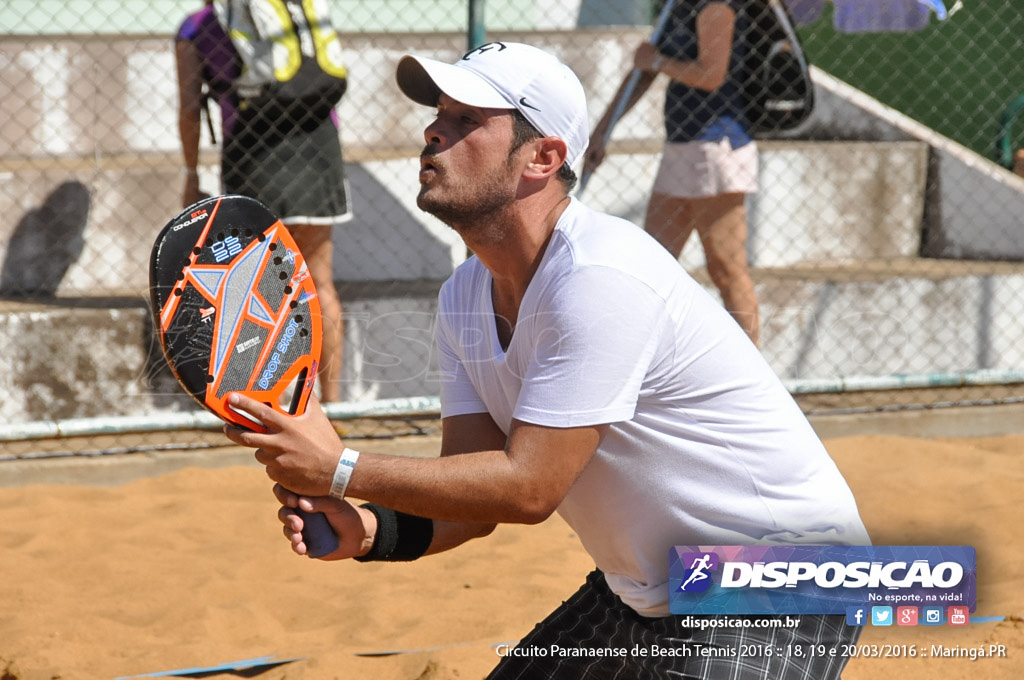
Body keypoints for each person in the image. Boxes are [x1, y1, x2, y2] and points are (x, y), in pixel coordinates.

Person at [224, 42, 870, 678]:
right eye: (439, 115)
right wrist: (369, 529)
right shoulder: (466, 293)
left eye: (465, 121)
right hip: (647, 591)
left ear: (544, 157)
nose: (432, 131)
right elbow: (473, 496)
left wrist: (339, 468)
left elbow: (528, 488)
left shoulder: (601, 273)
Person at [174, 0, 348, 402]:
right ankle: (335, 404)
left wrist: (190, 174)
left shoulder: (196, 27)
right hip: (318, 147)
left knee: (256, 286)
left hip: (252, 151)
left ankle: (260, 402)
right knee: (320, 281)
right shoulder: (298, 9)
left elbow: (188, 107)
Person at [583, 0, 762, 345]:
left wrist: (658, 61)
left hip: (716, 148)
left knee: (726, 269)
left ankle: (756, 379)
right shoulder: (673, 8)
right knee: (652, 266)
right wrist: (602, 130)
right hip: (681, 147)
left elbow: (711, 76)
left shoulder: (715, 7)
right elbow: (642, 73)